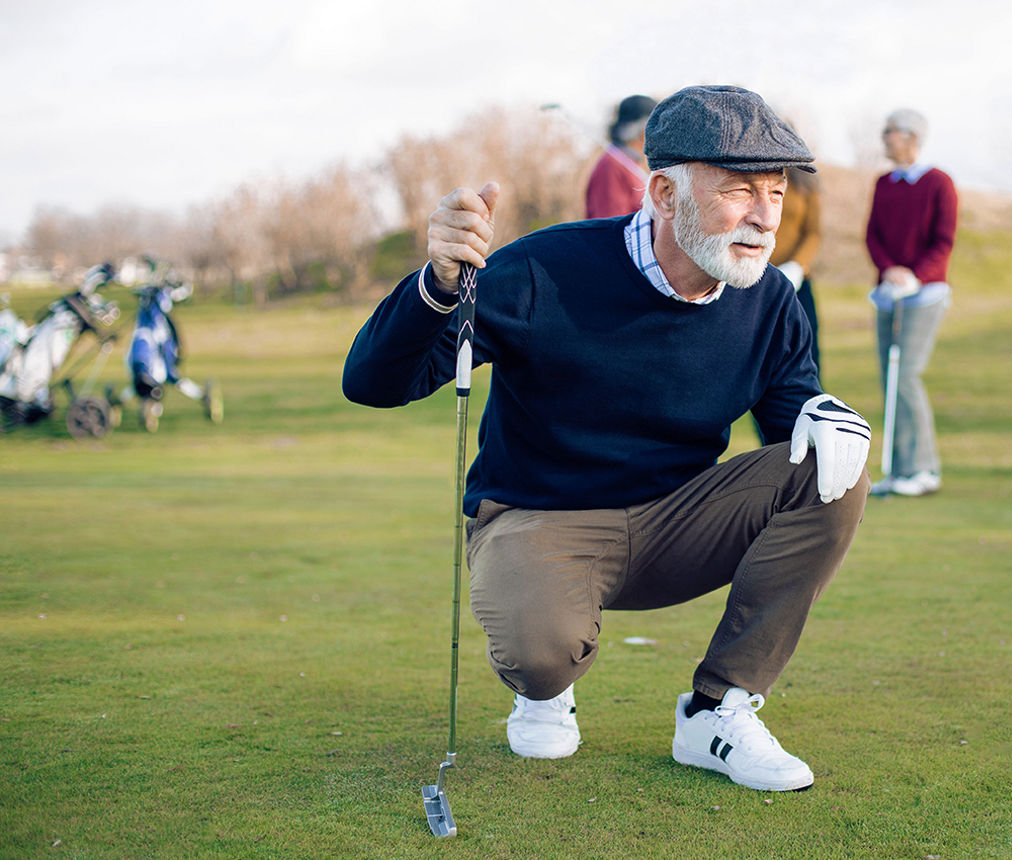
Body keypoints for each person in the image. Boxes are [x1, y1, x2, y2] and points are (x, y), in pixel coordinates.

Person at [343, 85, 872, 793]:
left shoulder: (770, 299)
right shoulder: (543, 271)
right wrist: (437, 286)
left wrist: (824, 414)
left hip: (678, 524)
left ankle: (719, 710)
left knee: (831, 469)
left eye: (775, 194)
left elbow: (790, 433)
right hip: (541, 520)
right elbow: (375, 382)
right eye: (740, 192)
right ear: (662, 192)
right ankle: (544, 689)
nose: (763, 217)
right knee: (541, 652)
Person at [864, 108, 957, 497]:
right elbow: (872, 236)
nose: (884, 138)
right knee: (891, 379)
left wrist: (914, 274)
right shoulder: (884, 183)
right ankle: (901, 472)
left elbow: (943, 241)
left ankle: (924, 469)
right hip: (889, 294)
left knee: (907, 376)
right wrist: (890, 270)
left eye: (890, 132)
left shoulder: (939, 183)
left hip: (925, 293)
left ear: (911, 137)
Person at [769, 166, 823, 375]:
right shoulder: (750, 171)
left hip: (795, 282)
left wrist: (796, 265)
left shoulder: (805, 180)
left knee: (806, 358)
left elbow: (813, 233)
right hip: (754, 280)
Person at [584, 94, 656, 219]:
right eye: (655, 126)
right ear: (642, 129)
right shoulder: (611, 166)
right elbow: (608, 223)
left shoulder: (632, 164)